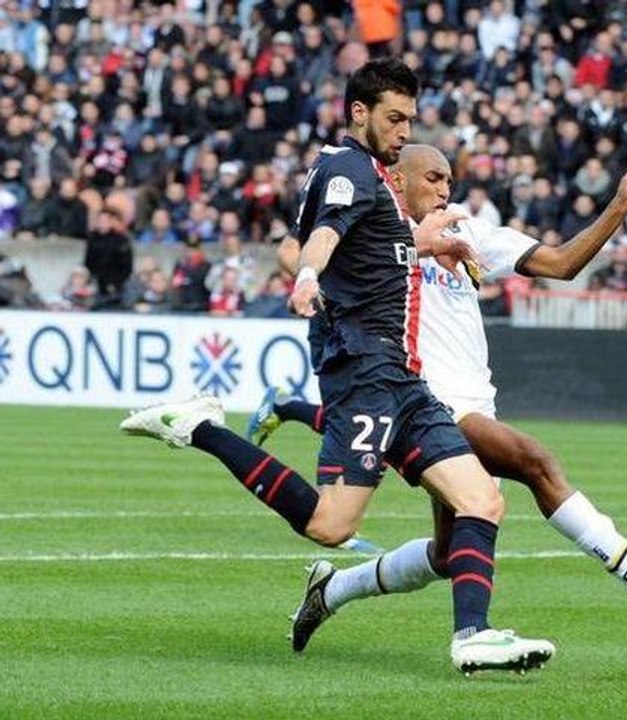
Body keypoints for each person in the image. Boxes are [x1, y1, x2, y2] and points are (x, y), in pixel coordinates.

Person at [120, 58, 552, 676]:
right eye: (394, 118)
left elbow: (379, 246)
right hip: (365, 373)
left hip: (406, 379)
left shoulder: (374, 178)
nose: (404, 131)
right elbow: (325, 235)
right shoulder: (348, 168)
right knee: (330, 525)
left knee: (482, 500)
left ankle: (472, 637)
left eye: (410, 118)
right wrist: (306, 275)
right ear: (360, 112)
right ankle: (200, 429)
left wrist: (434, 242)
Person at [252, 144, 627, 637]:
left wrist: (619, 207)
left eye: (449, 181)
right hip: (420, 399)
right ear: (398, 179)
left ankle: (332, 590)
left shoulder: (467, 232)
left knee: (448, 555)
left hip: (475, 401)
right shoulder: (371, 233)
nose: (444, 190)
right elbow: (293, 250)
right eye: (432, 178)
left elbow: (562, 263)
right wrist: (349, 266)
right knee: (534, 460)